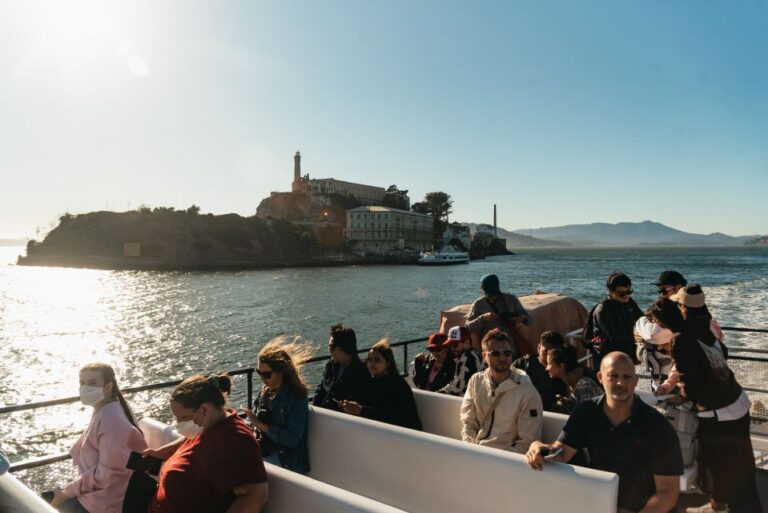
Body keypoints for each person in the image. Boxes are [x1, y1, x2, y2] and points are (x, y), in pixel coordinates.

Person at [526, 352, 683, 513]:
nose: (620, 382)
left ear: (636, 381)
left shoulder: (656, 425)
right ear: (600, 377)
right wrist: (537, 446)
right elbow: (561, 453)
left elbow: (668, 492)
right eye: (613, 376)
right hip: (603, 504)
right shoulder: (587, 412)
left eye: (627, 377)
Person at [669, 285, 762, 513]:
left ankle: (720, 507)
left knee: (721, 472)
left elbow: (689, 382)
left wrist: (680, 396)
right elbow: (723, 353)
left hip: (718, 415)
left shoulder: (681, 338)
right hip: (738, 404)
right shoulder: (707, 326)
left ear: (683, 307)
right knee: (742, 470)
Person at [146, 374, 268, 513]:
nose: (179, 424)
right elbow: (190, 441)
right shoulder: (207, 425)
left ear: (204, 409)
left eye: (183, 418)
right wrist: (162, 452)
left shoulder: (235, 440)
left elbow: (256, 495)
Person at [51, 363, 148, 513]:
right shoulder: (104, 410)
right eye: (82, 383)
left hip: (102, 503)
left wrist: (66, 494)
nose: (84, 388)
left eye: (92, 383)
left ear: (108, 387)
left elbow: (107, 475)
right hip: (93, 493)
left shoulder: (112, 420)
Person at [460, 329, 543, 454]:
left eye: (507, 352)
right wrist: (471, 450)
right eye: (495, 353)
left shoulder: (527, 392)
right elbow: (468, 423)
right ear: (484, 357)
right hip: (476, 453)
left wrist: (496, 460)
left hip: (506, 460)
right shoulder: (476, 381)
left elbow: (527, 443)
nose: (503, 357)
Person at [244, 337, 313, 474]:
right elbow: (253, 422)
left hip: (287, 460)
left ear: (280, 371)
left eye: (267, 374)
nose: (263, 379)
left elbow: (292, 439)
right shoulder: (266, 391)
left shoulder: (297, 396)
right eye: (259, 373)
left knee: (244, 469)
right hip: (265, 449)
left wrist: (259, 424)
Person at [340, 339, 422, 430]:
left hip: (407, 434)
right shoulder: (372, 381)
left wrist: (361, 410)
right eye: (370, 359)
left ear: (388, 363)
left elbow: (391, 416)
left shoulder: (396, 384)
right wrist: (348, 404)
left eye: (377, 360)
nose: (372, 363)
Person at [465, 274, 533, 358]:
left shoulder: (511, 300)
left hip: (511, 349)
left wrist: (522, 318)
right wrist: (483, 318)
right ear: (482, 289)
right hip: (492, 352)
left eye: (494, 293)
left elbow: (530, 321)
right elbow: (468, 326)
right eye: (490, 294)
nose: (493, 297)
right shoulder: (478, 304)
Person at [586, 271, 643, 367]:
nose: (626, 296)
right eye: (622, 293)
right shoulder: (603, 309)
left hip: (625, 351)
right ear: (610, 292)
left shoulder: (629, 302)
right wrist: (637, 338)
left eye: (629, 292)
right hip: (607, 356)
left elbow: (642, 318)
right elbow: (613, 336)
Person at [312, 324, 369, 411]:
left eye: (330, 347)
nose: (328, 350)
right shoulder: (331, 365)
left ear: (339, 349)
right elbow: (321, 390)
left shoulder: (362, 372)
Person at [513, 330, 568, 411]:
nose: (549, 356)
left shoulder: (565, 367)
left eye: (553, 352)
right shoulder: (522, 364)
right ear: (538, 348)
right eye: (545, 352)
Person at [545, 346, 602, 414]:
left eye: (549, 364)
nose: (546, 368)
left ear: (561, 366)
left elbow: (588, 416)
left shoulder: (583, 385)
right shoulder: (571, 383)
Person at [634, 315, 680, 395]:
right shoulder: (652, 330)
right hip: (653, 355)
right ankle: (657, 387)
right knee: (657, 367)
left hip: (665, 362)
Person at [437, 326, 486, 396]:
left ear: (467, 343)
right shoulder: (475, 353)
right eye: (450, 345)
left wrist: (436, 394)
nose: (452, 348)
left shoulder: (466, 357)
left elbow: (456, 387)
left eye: (455, 345)